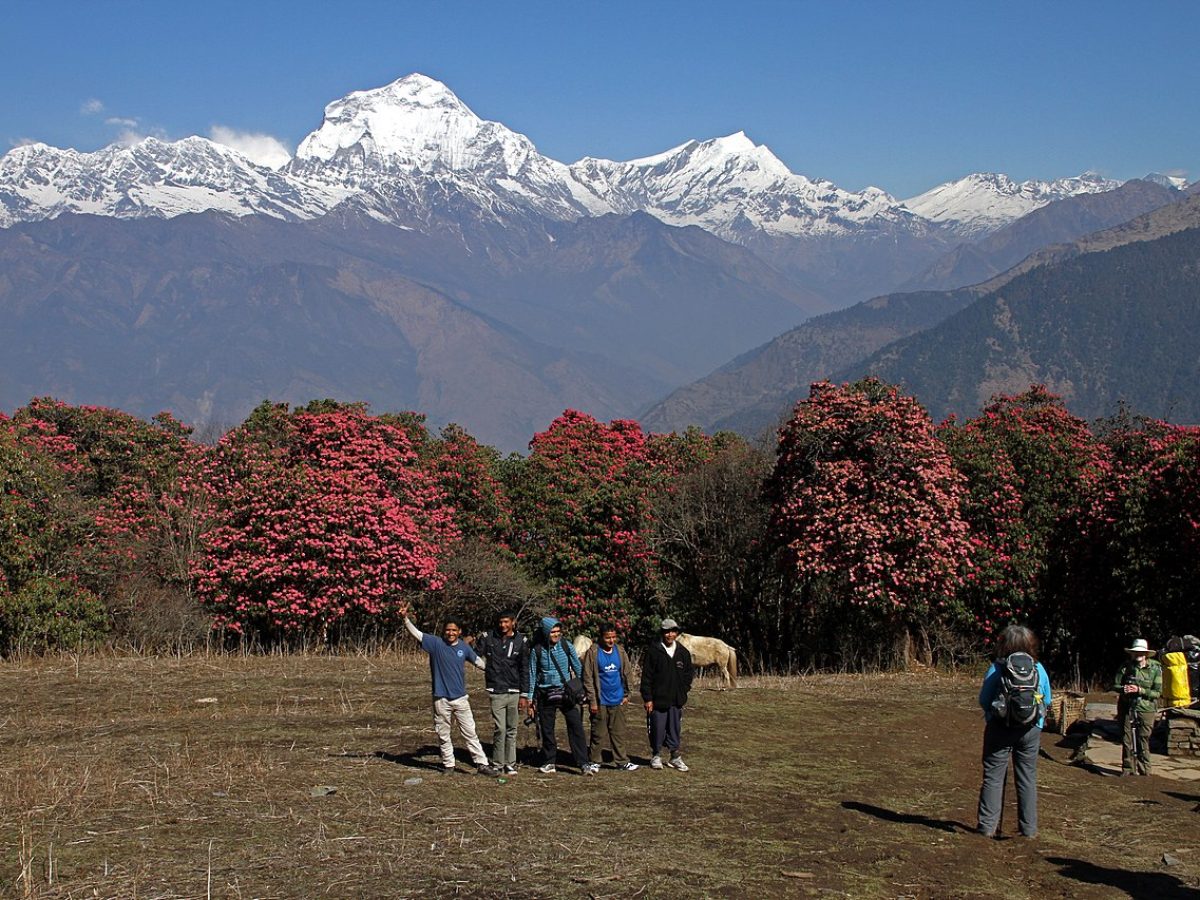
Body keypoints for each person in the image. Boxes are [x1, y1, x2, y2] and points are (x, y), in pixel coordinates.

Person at [398, 601, 500, 777]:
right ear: (443, 631)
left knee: (470, 732)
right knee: (443, 733)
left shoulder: (464, 647)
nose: (451, 633)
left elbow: (480, 663)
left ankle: (482, 764)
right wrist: (405, 619)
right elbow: (417, 634)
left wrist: (500, 671)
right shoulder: (435, 644)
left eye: (454, 630)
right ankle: (449, 765)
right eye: (448, 630)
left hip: (460, 698)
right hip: (441, 698)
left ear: (459, 632)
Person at [976, 624, 1051, 839]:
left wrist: (997, 714)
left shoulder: (997, 668)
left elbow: (984, 700)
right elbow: (1047, 700)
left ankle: (987, 827)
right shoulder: (1038, 668)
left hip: (999, 729)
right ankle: (1028, 830)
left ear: (1004, 644)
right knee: (1027, 777)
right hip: (1030, 730)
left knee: (993, 777)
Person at [521, 617, 590, 775]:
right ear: (546, 632)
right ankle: (549, 761)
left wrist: (583, 690)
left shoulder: (566, 646)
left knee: (576, 727)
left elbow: (578, 668)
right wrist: (530, 698)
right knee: (547, 730)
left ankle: (583, 762)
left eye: (558, 631)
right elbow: (532, 674)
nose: (556, 634)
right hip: (545, 694)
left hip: (567, 693)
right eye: (553, 632)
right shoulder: (536, 650)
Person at [474, 609, 529, 776]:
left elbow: (524, 668)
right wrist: (485, 668)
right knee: (500, 728)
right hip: (496, 689)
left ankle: (510, 763)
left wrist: (524, 694)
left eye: (506, 622)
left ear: (513, 622)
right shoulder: (488, 637)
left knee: (512, 728)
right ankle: (498, 763)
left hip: (514, 690)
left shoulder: (522, 640)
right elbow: (474, 655)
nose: (503, 625)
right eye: (500, 622)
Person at [582, 623, 639, 772]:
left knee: (619, 733)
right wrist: (592, 701)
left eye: (614, 637)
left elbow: (627, 673)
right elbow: (587, 678)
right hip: (600, 701)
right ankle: (594, 761)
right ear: (601, 637)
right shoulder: (593, 653)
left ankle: (621, 761)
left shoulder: (620, 651)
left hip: (618, 700)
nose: (611, 640)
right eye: (608, 637)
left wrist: (627, 694)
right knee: (598, 733)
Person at [640, 617, 694, 772]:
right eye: (666, 632)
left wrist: (683, 690)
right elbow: (646, 677)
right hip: (658, 700)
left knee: (675, 727)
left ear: (676, 633)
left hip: (676, 699)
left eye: (672, 631)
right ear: (662, 633)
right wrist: (648, 698)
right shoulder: (654, 651)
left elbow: (688, 674)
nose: (670, 635)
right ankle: (656, 755)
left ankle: (675, 756)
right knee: (657, 727)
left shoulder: (683, 652)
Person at [1112, 638, 1162, 776]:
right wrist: (1124, 689)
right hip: (1127, 706)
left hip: (1146, 709)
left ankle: (1144, 769)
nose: (1138, 655)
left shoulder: (1155, 669)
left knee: (1143, 738)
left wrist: (1140, 690)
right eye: (1135, 652)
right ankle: (1127, 768)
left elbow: (1157, 693)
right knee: (1126, 738)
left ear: (1146, 654)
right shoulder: (1125, 667)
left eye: (1141, 652)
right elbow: (1115, 685)